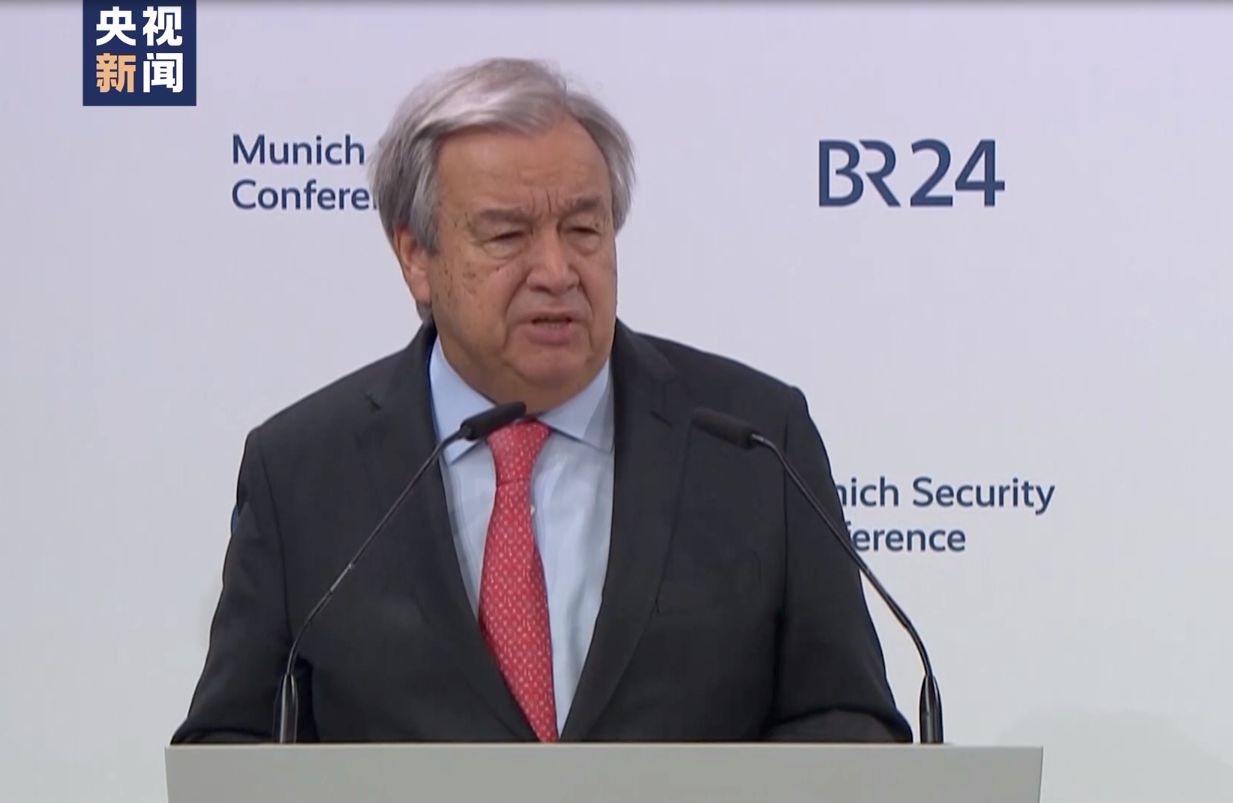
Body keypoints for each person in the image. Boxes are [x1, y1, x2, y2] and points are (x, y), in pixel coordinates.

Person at [172, 58, 910, 743]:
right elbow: (234, 744)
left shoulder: (753, 440)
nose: (556, 270)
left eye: (583, 229)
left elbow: (848, 719)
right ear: (415, 256)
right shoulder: (302, 469)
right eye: (507, 234)